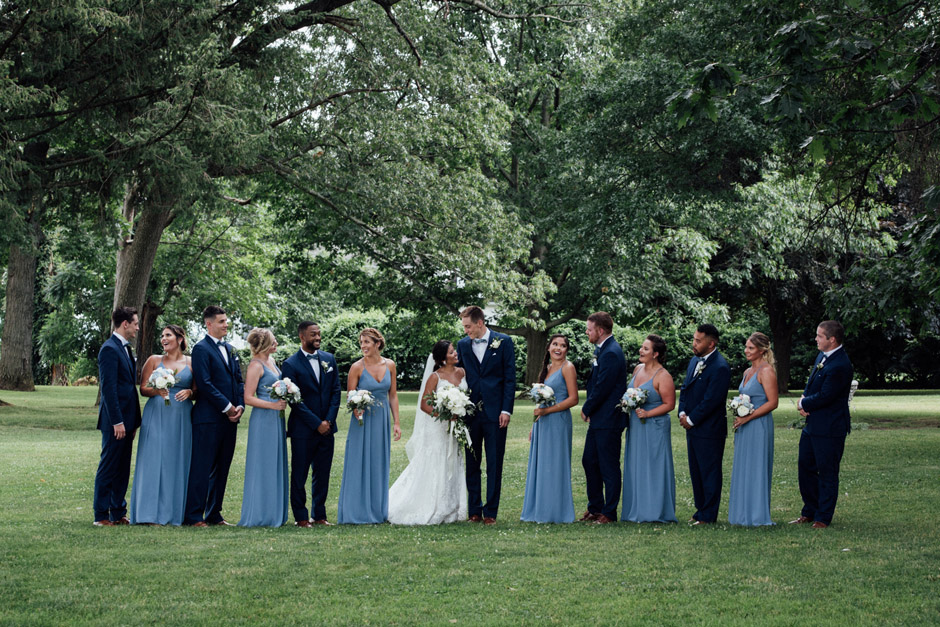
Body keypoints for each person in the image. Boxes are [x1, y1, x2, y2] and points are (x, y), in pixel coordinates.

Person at [388, 340, 469, 525]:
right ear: (442, 359)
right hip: (438, 427)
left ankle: (452, 506)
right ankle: (433, 505)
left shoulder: (462, 372)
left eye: (454, 350)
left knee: (453, 460)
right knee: (437, 460)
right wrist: (445, 415)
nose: (455, 353)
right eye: (451, 352)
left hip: (455, 427)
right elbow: (425, 404)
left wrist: (459, 410)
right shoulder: (435, 377)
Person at [184, 306, 244, 527]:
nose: (226, 324)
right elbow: (205, 384)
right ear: (209, 324)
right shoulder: (200, 349)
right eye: (221, 321)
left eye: (226, 320)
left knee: (223, 467)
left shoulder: (231, 349)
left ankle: (214, 513)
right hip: (208, 418)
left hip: (231, 419)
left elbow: (239, 380)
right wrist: (227, 407)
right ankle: (193, 515)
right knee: (202, 467)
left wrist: (240, 407)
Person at [790, 321, 854, 529]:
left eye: (819, 336)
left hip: (830, 427)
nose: (816, 339)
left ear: (831, 339)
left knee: (827, 471)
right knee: (805, 466)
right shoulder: (822, 356)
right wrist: (804, 397)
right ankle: (809, 510)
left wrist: (803, 403)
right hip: (812, 424)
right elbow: (813, 384)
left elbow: (827, 395)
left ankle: (823, 517)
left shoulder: (840, 365)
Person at [456, 306, 516, 525]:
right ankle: (474, 510)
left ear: (480, 322)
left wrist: (506, 409)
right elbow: (459, 376)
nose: (466, 330)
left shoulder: (504, 342)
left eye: (468, 326)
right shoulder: (463, 345)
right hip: (469, 413)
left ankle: (490, 512)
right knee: (472, 463)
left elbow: (510, 378)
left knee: (494, 463)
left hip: (496, 413)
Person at [129, 324, 193, 526]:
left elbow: (198, 389)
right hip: (156, 414)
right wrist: (157, 390)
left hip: (181, 416)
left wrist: (191, 393)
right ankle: (148, 514)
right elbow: (143, 388)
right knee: (153, 459)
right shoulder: (154, 360)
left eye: (168, 335)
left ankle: (175, 513)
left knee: (177, 460)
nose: (163, 339)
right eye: (162, 336)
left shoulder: (192, 362)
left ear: (180, 339)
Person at [337, 328, 402, 524]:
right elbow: (350, 396)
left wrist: (396, 422)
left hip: (381, 420)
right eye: (361, 342)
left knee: (378, 462)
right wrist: (356, 408)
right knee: (359, 461)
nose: (363, 346)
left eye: (367, 342)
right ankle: (356, 511)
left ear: (377, 344)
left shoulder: (390, 365)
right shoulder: (356, 367)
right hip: (362, 421)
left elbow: (393, 395)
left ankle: (377, 511)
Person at [281, 321, 341, 527]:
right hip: (303, 429)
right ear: (302, 337)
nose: (317, 338)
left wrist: (329, 421)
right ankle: (301, 517)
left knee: (322, 473)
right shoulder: (290, 364)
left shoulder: (329, 359)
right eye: (313, 334)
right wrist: (316, 423)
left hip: (327, 428)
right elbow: (293, 399)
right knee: (299, 474)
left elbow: (335, 392)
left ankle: (320, 514)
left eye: (319, 334)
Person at [520, 334, 578, 524]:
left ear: (567, 350)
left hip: (558, 422)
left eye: (562, 345)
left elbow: (573, 399)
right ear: (548, 347)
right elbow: (542, 401)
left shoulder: (567, 368)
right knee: (542, 465)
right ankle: (540, 508)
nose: (558, 348)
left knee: (555, 465)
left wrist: (548, 411)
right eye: (555, 344)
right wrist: (534, 424)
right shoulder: (547, 368)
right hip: (543, 423)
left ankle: (555, 511)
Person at [678, 323, 732, 525]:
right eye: (694, 339)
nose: (694, 343)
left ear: (711, 343)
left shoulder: (720, 366)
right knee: (696, 471)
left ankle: (709, 515)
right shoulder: (694, 361)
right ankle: (700, 511)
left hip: (710, 429)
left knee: (709, 472)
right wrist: (682, 411)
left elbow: (712, 400)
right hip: (692, 427)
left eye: (698, 341)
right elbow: (685, 388)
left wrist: (691, 419)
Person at [93, 307, 142, 526]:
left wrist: (130, 421)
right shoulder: (109, 349)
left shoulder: (125, 349)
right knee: (109, 466)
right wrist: (118, 421)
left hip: (128, 420)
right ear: (125, 324)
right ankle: (101, 515)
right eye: (135, 324)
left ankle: (118, 512)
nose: (137, 328)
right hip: (116, 422)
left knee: (122, 468)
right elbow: (109, 390)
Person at [621, 334, 678, 524]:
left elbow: (669, 404)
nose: (641, 351)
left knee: (653, 466)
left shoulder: (663, 376)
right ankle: (635, 509)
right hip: (636, 426)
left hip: (654, 426)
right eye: (642, 347)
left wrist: (648, 414)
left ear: (656, 354)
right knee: (636, 465)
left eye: (645, 349)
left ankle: (654, 511)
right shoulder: (637, 369)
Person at [579, 312, 628, 524]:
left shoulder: (611, 353)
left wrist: (587, 407)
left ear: (600, 331)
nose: (587, 332)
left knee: (608, 465)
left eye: (589, 329)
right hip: (600, 419)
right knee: (589, 461)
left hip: (609, 418)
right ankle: (595, 507)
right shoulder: (604, 350)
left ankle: (609, 512)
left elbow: (603, 387)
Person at [238, 328, 289, 527]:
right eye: (274, 341)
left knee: (275, 461)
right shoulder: (255, 366)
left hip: (277, 417)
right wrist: (272, 405)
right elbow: (248, 397)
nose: (276, 344)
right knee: (263, 463)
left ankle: (274, 510)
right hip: (263, 418)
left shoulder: (272, 362)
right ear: (265, 344)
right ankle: (260, 513)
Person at [728, 332, 779, 526]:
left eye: (750, 348)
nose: (746, 351)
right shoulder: (747, 372)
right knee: (744, 466)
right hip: (744, 426)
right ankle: (742, 513)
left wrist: (749, 416)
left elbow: (773, 402)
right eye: (746, 347)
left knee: (756, 467)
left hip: (758, 425)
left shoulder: (766, 371)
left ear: (762, 350)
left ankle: (756, 514)